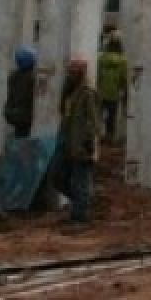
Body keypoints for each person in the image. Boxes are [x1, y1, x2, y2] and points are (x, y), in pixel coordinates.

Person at [57, 56, 101, 227]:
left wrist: (89, 144)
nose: (69, 75)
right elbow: (62, 111)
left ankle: (80, 217)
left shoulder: (88, 93)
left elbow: (94, 122)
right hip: (67, 142)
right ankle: (82, 203)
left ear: (81, 73)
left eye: (73, 72)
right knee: (57, 176)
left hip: (81, 145)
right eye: (69, 72)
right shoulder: (71, 92)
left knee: (80, 181)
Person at [97, 35, 128, 143]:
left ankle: (97, 135)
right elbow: (124, 77)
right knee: (112, 116)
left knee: (98, 115)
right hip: (114, 93)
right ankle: (109, 137)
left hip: (101, 91)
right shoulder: (123, 60)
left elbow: (98, 75)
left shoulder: (101, 58)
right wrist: (125, 90)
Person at [4, 45, 37, 138]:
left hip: (14, 115)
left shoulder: (13, 76)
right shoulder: (32, 78)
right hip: (25, 117)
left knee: (20, 137)